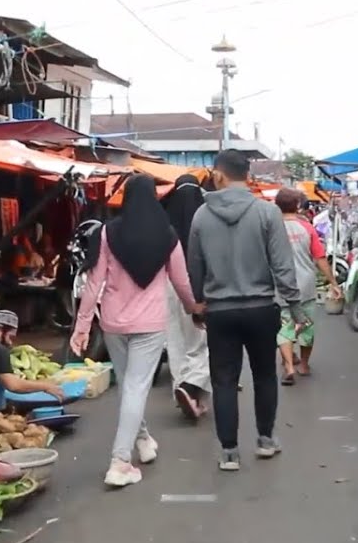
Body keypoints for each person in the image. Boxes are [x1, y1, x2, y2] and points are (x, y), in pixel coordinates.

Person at [71, 174, 202, 488]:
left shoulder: (107, 233)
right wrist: (192, 308)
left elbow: (94, 282)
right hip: (150, 325)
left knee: (130, 387)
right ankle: (120, 462)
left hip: (113, 323)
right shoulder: (168, 235)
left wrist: (82, 325)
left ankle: (143, 441)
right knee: (135, 387)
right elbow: (181, 281)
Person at [186, 149, 308, 472]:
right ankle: (266, 440)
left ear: (220, 176)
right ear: (247, 176)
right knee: (265, 375)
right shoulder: (267, 214)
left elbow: (194, 267)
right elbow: (284, 267)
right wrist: (295, 308)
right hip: (260, 308)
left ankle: (229, 452)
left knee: (224, 381)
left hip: (220, 312)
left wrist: (198, 304)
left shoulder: (201, 217)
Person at [274, 187, 341, 385]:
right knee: (306, 327)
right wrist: (333, 282)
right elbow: (320, 258)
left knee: (284, 327)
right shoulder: (307, 228)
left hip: (280, 286)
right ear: (297, 206)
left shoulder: (271, 228)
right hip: (305, 286)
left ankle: (288, 367)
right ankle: (303, 365)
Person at [163, 173, 213, 420]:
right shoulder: (206, 218)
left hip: (168, 288)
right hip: (198, 286)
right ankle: (192, 386)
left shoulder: (164, 220)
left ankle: (183, 390)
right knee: (202, 343)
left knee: (176, 343)